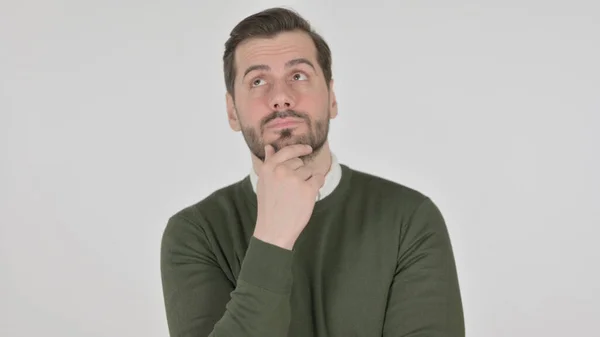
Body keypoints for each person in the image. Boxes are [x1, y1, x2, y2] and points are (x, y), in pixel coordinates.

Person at [160, 7, 465, 337]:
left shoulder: (410, 218)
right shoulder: (195, 234)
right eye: (258, 81)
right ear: (232, 111)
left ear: (332, 98)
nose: (280, 97)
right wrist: (272, 239)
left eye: (298, 76)